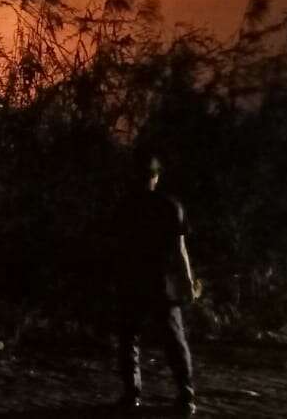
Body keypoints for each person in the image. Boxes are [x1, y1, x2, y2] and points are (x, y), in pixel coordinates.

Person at [111, 152, 197, 416]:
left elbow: (115, 247)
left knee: (129, 339)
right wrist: (188, 281)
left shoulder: (124, 206)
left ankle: (132, 394)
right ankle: (185, 394)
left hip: (132, 280)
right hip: (162, 282)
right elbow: (180, 249)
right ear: (156, 177)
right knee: (174, 340)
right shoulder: (171, 206)